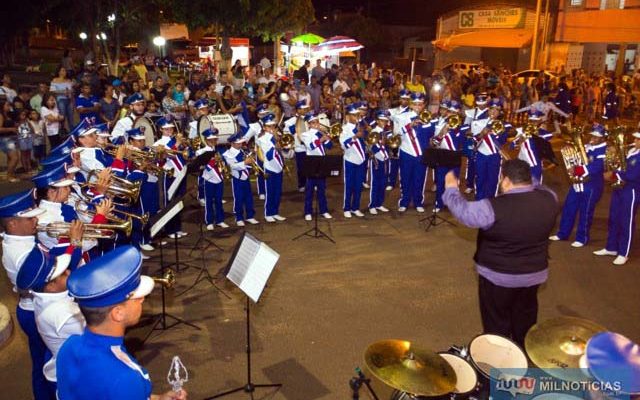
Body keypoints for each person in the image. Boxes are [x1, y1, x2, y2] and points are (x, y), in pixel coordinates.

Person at [443, 159, 559, 347]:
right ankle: (524, 350)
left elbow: (465, 213)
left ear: (505, 181)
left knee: (496, 321)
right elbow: (538, 185)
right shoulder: (550, 198)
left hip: (498, 276)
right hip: (533, 275)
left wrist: (451, 189)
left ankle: (501, 357)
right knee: (525, 316)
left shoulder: (492, 208)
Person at [56, 245, 187, 400]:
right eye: (137, 298)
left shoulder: (69, 346)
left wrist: (158, 398)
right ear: (118, 313)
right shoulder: (125, 379)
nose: (143, 299)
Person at [16, 219, 84, 397]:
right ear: (50, 286)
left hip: (63, 367)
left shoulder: (46, 297)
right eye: (63, 273)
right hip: (72, 377)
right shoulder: (63, 313)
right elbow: (101, 331)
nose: (69, 272)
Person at [0, 189, 52, 399]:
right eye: (29, 218)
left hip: (35, 308)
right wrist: (72, 246)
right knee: (45, 365)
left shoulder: (23, 240)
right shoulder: (19, 252)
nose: (35, 221)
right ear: (12, 224)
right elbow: (48, 278)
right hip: (34, 311)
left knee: (44, 361)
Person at [550, 123, 607, 248]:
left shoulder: (604, 150)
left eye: (596, 137)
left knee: (585, 211)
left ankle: (582, 238)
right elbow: (575, 158)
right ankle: (562, 233)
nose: (593, 138)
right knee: (569, 208)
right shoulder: (586, 147)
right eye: (592, 135)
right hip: (577, 183)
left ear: (602, 138)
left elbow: (597, 167)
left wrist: (577, 170)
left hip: (592, 185)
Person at [594, 131, 640, 265]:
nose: (636, 141)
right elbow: (621, 165)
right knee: (614, 218)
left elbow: (633, 175)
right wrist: (613, 159)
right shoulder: (631, 151)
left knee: (626, 221)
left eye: (638, 139)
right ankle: (611, 247)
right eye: (636, 138)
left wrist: (614, 174)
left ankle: (623, 253)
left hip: (631, 190)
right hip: (619, 188)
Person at [301, 112, 333, 221]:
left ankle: (324, 210)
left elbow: (330, 146)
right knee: (309, 189)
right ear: (309, 124)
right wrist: (321, 139)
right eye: (313, 123)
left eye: (317, 122)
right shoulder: (306, 135)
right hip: (311, 162)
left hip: (322, 161)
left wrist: (327, 138)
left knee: (322, 189)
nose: (316, 124)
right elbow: (310, 147)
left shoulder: (321, 133)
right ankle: (308, 211)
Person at [223, 133, 259, 226]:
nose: (240, 144)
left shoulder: (243, 151)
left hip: (246, 177)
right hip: (237, 178)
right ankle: (239, 218)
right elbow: (232, 166)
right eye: (238, 143)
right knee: (238, 198)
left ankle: (250, 216)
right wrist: (245, 162)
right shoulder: (228, 154)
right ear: (232, 143)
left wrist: (252, 161)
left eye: (241, 143)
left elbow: (249, 162)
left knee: (249, 197)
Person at [256, 114, 286, 222]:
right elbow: (268, 155)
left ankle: (275, 212)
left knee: (278, 191)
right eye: (269, 127)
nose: (271, 129)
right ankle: (268, 213)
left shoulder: (276, 136)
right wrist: (275, 142)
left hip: (278, 167)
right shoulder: (261, 139)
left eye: (273, 126)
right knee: (270, 191)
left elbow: (284, 148)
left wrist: (279, 141)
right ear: (264, 127)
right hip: (269, 167)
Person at [196, 128, 228, 231]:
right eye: (211, 140)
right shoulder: (201, 152)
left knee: (218, 200)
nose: (213, 142)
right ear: (206, 140)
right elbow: (199, 167)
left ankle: (220, 220)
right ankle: (209, 221)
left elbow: (224, 164)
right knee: (209, 201)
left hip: (219, 179)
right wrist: (211, 162)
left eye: (215, 139)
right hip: (209, 179)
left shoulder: (219, 150)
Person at [340, 103, 367, 218]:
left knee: (358, 185)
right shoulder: (345, 129)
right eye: (354, 115)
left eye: (357, 114)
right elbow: (343, 145)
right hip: (350, 160)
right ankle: (347, 208)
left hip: (361, 160)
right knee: (349, 185)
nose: (356, 117)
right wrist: (355, 137)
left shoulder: (360, 127)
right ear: (348, 116)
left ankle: (355, 207)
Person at [367, 111, 391, 214]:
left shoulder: (387, 132)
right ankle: (372, 205)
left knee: (383, 183)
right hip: (376, 159)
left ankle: (379, 203)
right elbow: (370, 148)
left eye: (385, 121)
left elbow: (392, 145)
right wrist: (380, 144)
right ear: (377, 121)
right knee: (375, 183)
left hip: (385, 159)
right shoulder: (374, 132)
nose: (384, 123)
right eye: (382, 121)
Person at [0, 99, 20, 181]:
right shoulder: (0, 115)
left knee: (10, 158)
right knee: (15, 158)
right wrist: (11, 129)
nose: (9, 107)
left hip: (12, 138)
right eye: (7, 105)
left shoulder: (8, 115)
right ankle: (9, 175)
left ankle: (11, 174)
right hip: (6, 139)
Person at [50, 67, 75, 131]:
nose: (64, 72)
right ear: (58, 72)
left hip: (69, 100)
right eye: (62, 71)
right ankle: (62, 132)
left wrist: (71, 93)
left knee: (71, 118)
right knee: (62, 117)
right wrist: (62, 91)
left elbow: (71, 91)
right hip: (60, 100)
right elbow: (52, 91)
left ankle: (72, 133)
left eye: (65, 71)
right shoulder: (55, 80)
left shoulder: (68, 80)